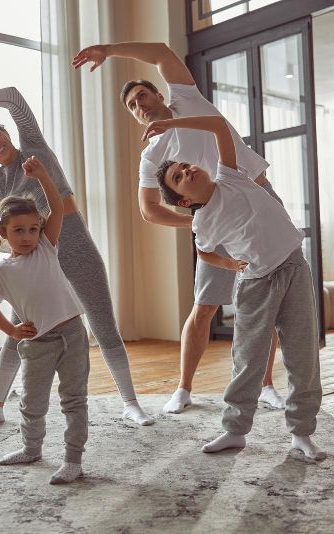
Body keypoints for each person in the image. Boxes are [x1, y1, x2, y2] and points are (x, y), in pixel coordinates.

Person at [72, 41, 286, 412]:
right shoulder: (152, 154)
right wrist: (196, 219)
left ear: (159, 93)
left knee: (266, 304)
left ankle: (266, 384)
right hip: (218, 225)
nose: (139, 106)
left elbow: (159, 52)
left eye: (142, 96)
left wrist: (107, 50)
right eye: (133, 106)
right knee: (204, 307)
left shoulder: (188, 101)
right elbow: (149, 210)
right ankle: (184, 389)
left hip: (259, 204)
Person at [0, 86, 153, 429]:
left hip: (76, 245)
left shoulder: (34, 148)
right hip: (36, 264)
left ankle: (131, 404)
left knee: (104, 327)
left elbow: (12, 97)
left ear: (6, 133)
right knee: (19, 332)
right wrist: (21, 244)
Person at [146, 114, 326, 460]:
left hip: (294, 269)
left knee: (302, 354)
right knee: (248, 360)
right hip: (256, 283)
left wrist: (173, 124)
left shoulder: (228, 175)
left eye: (185, 165)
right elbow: (204, 252)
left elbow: (216, 124)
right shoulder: (201, 221)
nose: (188, 171)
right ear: (183, 200)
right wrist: (232, 265)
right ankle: (234, 431)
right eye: (179, 177)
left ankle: (302, 433)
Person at [0, 155, 89, 484]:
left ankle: (73, 460)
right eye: (19, 231)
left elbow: (57, 207)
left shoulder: (46, 246)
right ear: (3, 232)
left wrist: (42, 174)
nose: (28, 235)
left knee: (73, 399)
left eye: (32, 228)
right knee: (32, 401)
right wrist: (13, 330)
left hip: (72, 334)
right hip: (36, 343)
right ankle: (31, 449)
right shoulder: (2, 271)